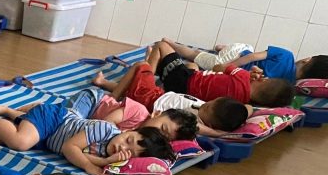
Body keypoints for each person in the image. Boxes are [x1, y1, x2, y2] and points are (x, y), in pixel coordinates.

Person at [0, 100, 175, 175]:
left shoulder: (115, 157)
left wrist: (106, 162)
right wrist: (91, 166)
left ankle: (8, 113)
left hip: (48, 139)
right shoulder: (104, 129)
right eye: (128, 139)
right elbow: (69, 148)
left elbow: (85, 155)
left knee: (5, 138)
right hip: (54, 119)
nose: (122, 146)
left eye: (129, 151)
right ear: (131, 130)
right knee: (20, 142)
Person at [92, 46, 252, 137]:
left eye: (208, 107)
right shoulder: (209, 110)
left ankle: (112, 97)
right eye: (211, 102)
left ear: (210, 124)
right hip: (158, 94)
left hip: (149, 98)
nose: (206, 104)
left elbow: (200, 128)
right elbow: (248, 108)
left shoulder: (192, 120)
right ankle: (105, 83)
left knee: (140, 66)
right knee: (134, 86)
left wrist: (218, 134)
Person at [152, 39, 295, 108]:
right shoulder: (242, 103)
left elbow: (217, 68)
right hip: (187, 95)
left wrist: (242, 72)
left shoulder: (243, 75)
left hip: (185, 81)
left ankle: (147, 76)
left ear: (263, 80)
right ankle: (157, 63)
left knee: (162, 46)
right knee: (192, 66)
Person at [160, 39, 327, 83]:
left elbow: (254, 56)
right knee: (201, 57)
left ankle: (222, 48)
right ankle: (170, 43)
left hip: (241, 52)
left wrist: (228, 65)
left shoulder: (287, 55)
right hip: (237, 57)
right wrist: (226, 66)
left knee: (197, 55)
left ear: (307, 60)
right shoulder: (288, 85)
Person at [64, 87, 200, 140]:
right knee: (67, 122)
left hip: (90, 123)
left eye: (165, 137)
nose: (159, 134)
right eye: (163, 128)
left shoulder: (142, 139)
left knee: (75, 133)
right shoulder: (139, 111)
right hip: (92, 102)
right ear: (156, 114)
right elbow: (107, 122)